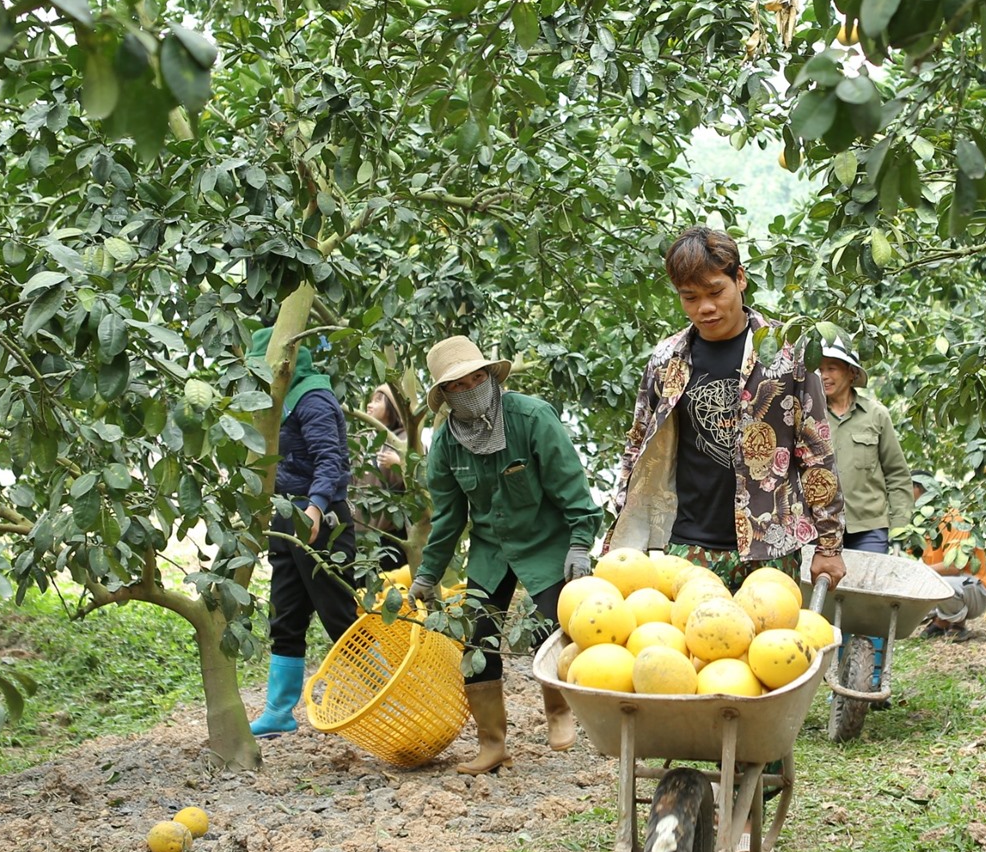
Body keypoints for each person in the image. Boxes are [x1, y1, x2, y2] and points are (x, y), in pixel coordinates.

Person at [609, 224, 846, 593]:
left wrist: (829, 545)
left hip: (771, 547)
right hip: (686, 548)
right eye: (689, 298)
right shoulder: (666, 360)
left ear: (740, 278)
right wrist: (618, 531)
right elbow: (637, 447)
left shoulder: (788, 354)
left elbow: (816, 453)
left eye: (715, 291)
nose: (705, 307)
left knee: (772, 648)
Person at [408, 337, 602, 774]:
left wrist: (579, 543)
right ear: (446, 395)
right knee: (476, 636)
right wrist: (427, 575)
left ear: (490, 376)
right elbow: (449, 519)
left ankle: (559, 711)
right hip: (493, 549)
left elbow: (571, 486)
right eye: (458, 384)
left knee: (551, 626)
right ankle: (492, 744)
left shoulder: (531, 417)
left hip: (546, 541)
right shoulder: (446, 444)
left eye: (477, 377)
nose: (471, 387)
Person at [250, 325, 359, 737]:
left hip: (321, 520)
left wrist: (314, 507)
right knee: (285, 613)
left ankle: (372, 692)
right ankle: (279, 711)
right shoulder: (277, 403)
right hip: (286, 519)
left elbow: (330, 461)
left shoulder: (312, 398)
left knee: (339, 616)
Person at [819, 339, 912, 687]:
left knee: (871, 607)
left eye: (832, 368)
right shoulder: (810, 414)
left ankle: (872, 679)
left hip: (870, 525)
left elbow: (897, 473)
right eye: (820, 368)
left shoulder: (876, 416)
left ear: (850, 373)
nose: (824, 375)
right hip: (825, 529)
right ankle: (840, 682)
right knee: (834, 608)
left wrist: (900, 524)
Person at [910, 471, 986, 641]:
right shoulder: (921, 523)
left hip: (974, 590)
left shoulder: (952, 519)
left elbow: (955, 567)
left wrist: (920, 571)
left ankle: (957, 624)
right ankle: (941, 620)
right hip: (949, 583)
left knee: (940, 583)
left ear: (918, 489)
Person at [358, 383, 410, 574]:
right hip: (360, 533)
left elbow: (419, 483)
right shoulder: (361, 441)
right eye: (371, 400)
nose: (370, 406)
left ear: (393, 406)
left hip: (392, 534)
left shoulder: (406, 440)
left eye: (378, 400)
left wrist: (400, 463)